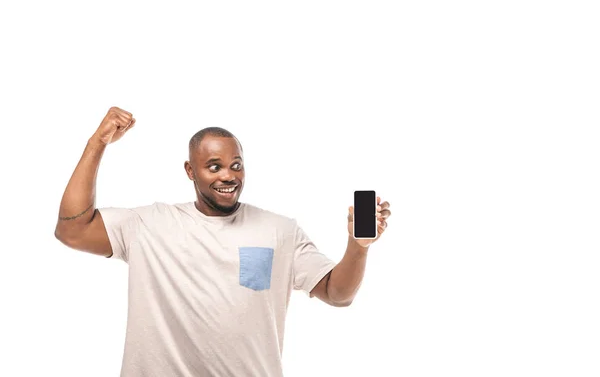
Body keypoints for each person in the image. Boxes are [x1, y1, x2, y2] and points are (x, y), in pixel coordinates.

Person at [54, 107, 392, 377]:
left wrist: (357, 247)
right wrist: (96, 143)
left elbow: (337, 293)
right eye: (214, 166)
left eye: (236, 165)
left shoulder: (279, 230)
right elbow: (72, 229)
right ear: (190, 170)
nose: (228, 175)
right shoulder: (150, 224)